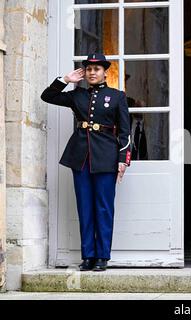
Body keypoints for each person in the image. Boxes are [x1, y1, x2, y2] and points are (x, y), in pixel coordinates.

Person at [41, 53, 131, 271]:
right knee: (85, 208)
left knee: (103, 208)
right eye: (89, 69)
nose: (92, 73)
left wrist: (123, 160)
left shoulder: (117, 96)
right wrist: (65, 80)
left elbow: (125, 132)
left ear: (104, 72)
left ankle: (102, 256)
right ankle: (88, 255)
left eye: (96, 69)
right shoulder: (77, 95)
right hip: (80, 157)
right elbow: (47, 96)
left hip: (106, 158)